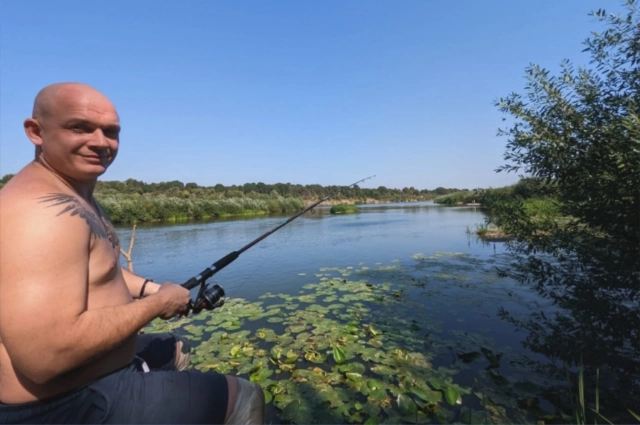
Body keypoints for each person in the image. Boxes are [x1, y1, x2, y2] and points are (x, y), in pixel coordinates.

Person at [0, 82, 265, 424]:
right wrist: (155, 305)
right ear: (36, 131)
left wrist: (151, 289)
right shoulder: (41, 214)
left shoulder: (73, 193)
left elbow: (101, 268)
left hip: (89, 376)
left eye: (110, 132)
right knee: (245, 395)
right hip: (64, 404)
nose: (100, 142)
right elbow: (44, 358)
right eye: (79, 127)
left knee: (176, 350)